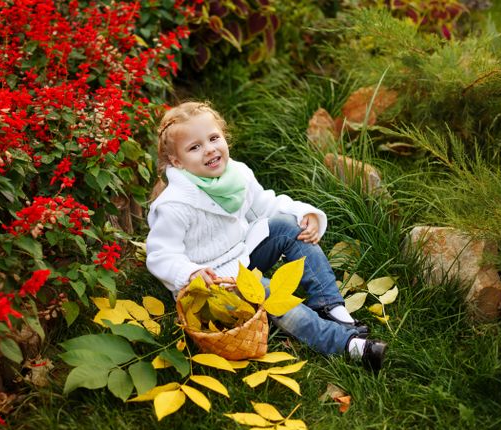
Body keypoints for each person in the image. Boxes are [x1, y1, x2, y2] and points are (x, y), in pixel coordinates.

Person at [145, 101, 387, 372]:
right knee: (271, 292)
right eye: (195, 147)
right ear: (177, 161)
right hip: (212, 285)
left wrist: (302, 214)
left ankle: (334, 310)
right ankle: (345, 344)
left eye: (213, 138)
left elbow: (264, 204)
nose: (209, 149)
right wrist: (190, 273)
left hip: (241, 258)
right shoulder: (175, 205)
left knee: (286, 224)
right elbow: (160, 254)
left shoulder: (236, 175)